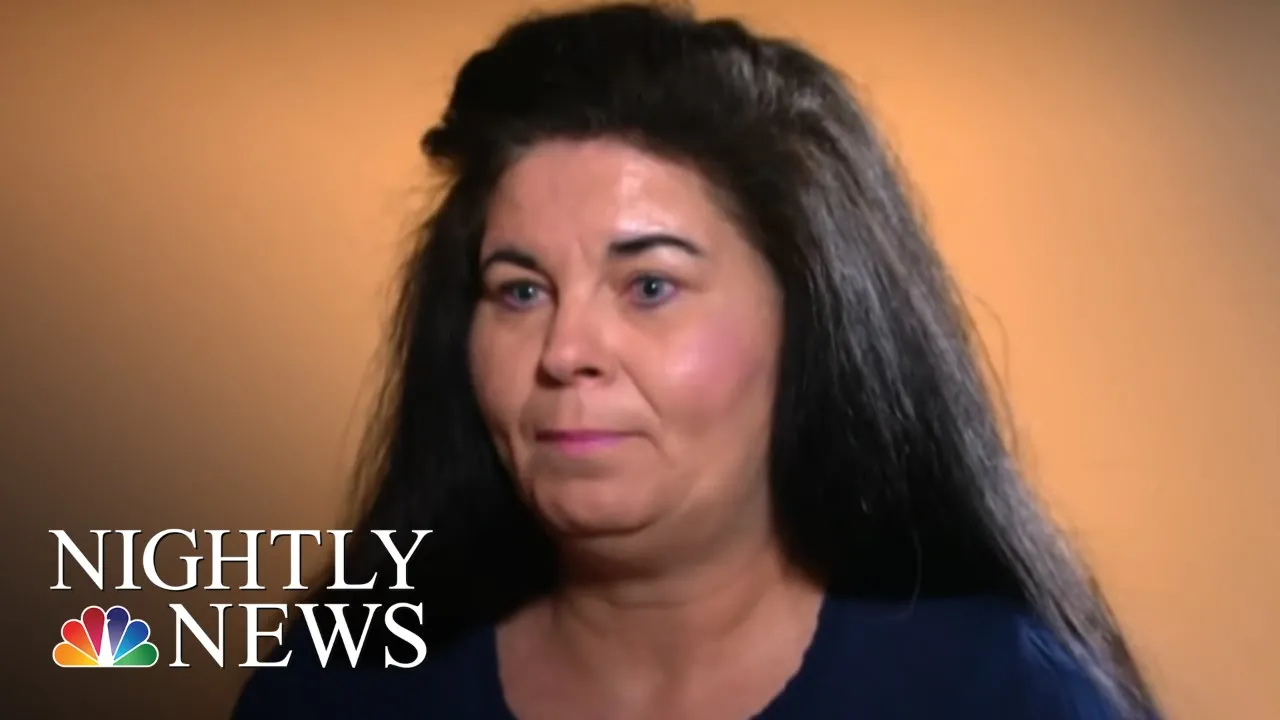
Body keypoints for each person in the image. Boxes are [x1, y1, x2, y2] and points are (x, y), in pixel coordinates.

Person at [232, 2, 1162, 718]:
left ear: (809, 323)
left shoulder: (999, 693)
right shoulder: (339, 687)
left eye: (649, 287)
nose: (565, 353)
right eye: (519, 292)